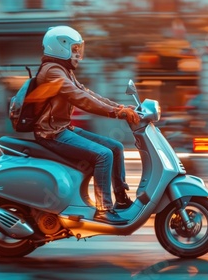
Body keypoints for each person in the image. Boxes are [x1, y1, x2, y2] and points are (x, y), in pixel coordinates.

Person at [33, 26, 140, 225]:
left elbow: (88, 93)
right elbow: (79, 97)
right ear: (60, 46)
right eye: (74, 48)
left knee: (115, 147)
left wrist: (120, 107)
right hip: (52, 134)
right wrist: (116, 113)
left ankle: (122, 200)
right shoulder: (52, 71)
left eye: (78, 48)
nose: (77, 53)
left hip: (62, 129)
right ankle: (103, 209)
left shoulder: (63, 70)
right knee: (103, 154)